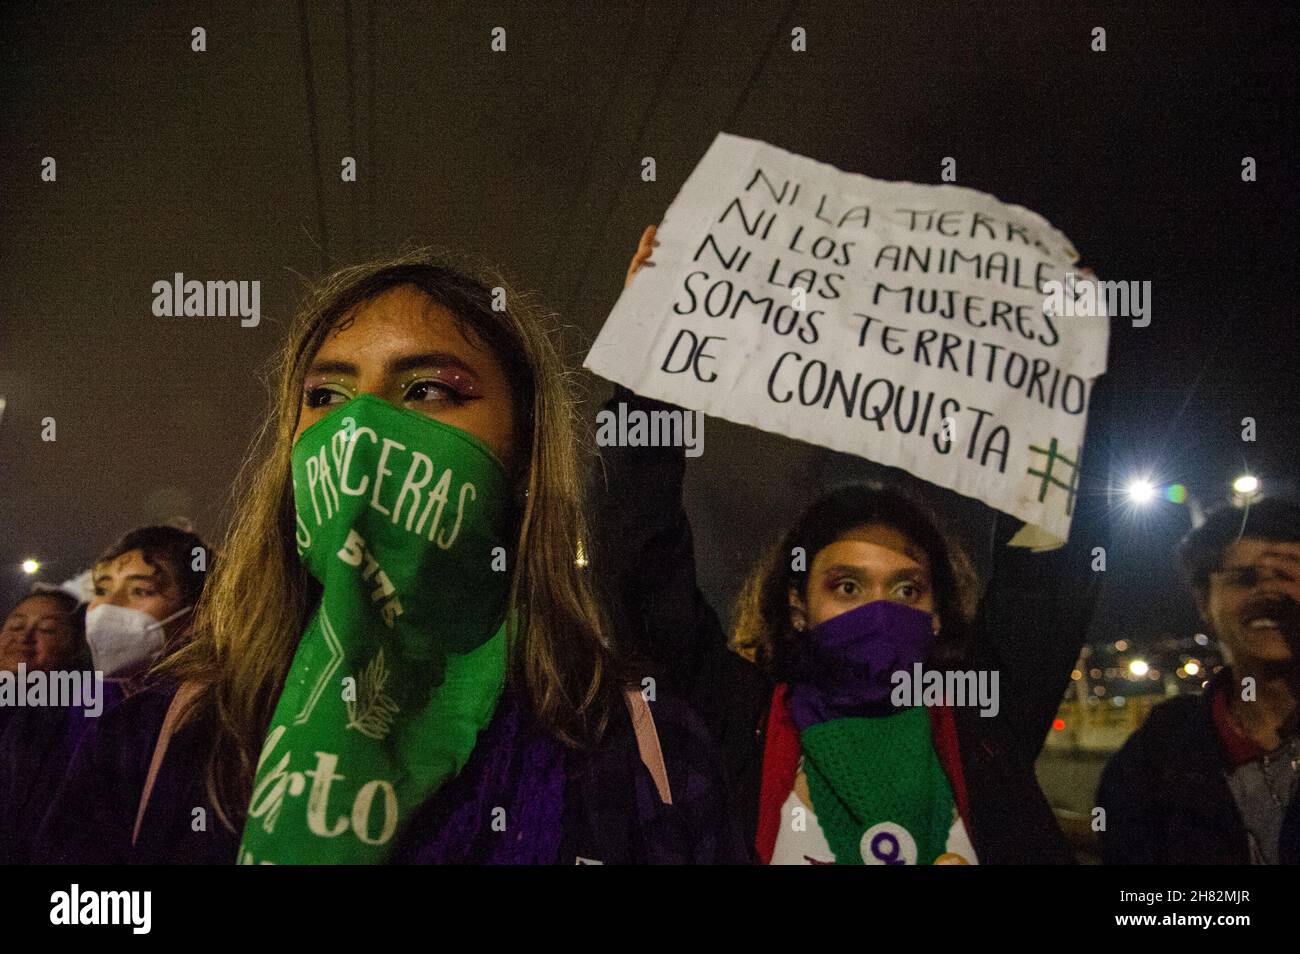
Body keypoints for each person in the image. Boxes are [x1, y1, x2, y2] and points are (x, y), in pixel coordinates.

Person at [35, 248, 741, 865]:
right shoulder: (162, 738)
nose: (360, 428)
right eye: (326, 395)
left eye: (428, 390)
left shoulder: (639, 748)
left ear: (523, 457)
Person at [587, 226, 1112, 864]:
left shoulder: (982, 723)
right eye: (846, 586)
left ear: (937, 612)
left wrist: (1064, 378)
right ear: (798, 605)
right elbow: (640, 556)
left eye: (907, 588)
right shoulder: (737, 722)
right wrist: (650, 365)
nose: (878, 610)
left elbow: (1048, 557)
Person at [1098, 497, 1300, 864]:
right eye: (1244, 579)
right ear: (1204, 603)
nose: (1269, 594)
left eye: (1288, 575)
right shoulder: (1159, 752)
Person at [0, 589, 87, 861]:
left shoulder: (73, 719)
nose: (23, 638)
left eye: (48, 630)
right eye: (15, 625)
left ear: (75, 648)